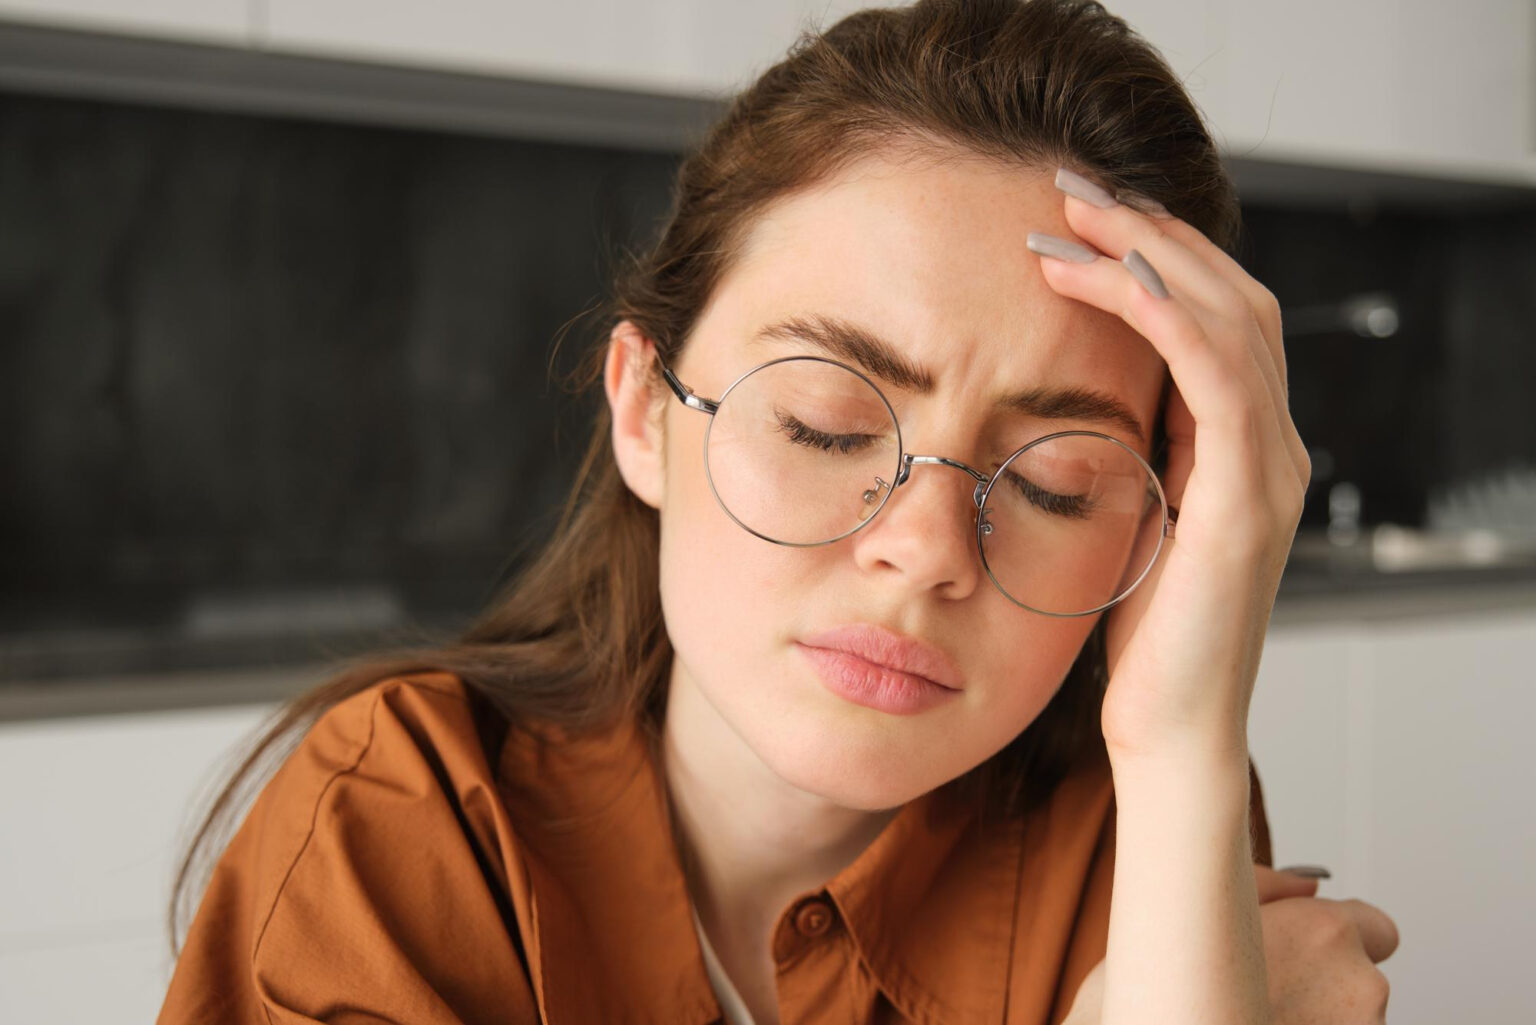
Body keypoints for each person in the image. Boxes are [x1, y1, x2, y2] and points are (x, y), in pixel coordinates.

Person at [157, 2, 1399, 1023]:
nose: (920, 551)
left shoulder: (1139, 826)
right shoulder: (401, 828)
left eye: (1050, 484)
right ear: (645, 410)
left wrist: (1187, 748)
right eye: (826, 425)